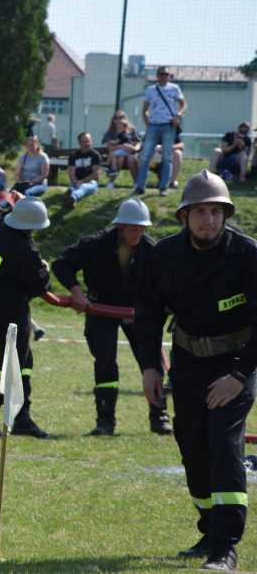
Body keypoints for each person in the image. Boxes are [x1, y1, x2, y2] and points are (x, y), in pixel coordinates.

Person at [134, 170, 257, 571]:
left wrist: (238, 375)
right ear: (185, 216)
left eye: (216, 212)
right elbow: (148, 313)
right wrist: (150, 367)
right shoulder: (163, 255)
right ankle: (208, 529)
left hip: (234, 363)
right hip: (186, 363)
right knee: (192, 447)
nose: (209, 220)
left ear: (226, 215)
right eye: (200, 211)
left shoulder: (248, 254)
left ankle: (226, 546)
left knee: (223, 443)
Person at [52, 197, 171, 436]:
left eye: (141, 229)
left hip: (137, 312)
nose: (137, 234)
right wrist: (76, 292)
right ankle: (105, 420)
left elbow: (166, 282)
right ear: (120, 227)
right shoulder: (93, 244)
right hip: (100, 309)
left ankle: (159, 417)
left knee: (151, 360)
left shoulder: (152, 250)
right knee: (105, 361)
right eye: (133, 229)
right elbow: (62, 265)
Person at [0, 195, 52, 438]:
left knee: (23, 362)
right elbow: (40, 286)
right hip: (11, 307)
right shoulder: (22, 248)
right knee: (9, 363)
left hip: (0, 302)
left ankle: (22, 417)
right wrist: (45, 268)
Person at [133, 66, 186, 196]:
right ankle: (140, 186)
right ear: (157, 76)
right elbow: (145, 109)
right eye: (161, 74)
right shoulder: (150, 90)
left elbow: (183, 104)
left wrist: (177, 115)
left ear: (169, 76)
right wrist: (147, 124)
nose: (163, 76)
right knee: (145, 156)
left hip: (168, 126)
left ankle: (164, 187)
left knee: (167, 157)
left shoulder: (174, 89)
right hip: (153, 126)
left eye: (166, 74)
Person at [101, 111, 141, 188]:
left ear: (125, 118)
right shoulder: (110, 131)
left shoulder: (132, 129)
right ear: (113, 119)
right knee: (120, 159)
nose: (118, 119)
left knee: (131, 158)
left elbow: (137, 143)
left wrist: (134, 148)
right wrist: (121, 146)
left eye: (121, 117)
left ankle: (136, 182)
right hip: (117, 155)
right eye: (116, 117)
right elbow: (109, 147)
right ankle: (111, 182)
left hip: (130, 153)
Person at [63, 132, 102, 210]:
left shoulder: (95, 155)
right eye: (84, 141)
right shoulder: (73, 155)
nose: (87, 143)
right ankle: (70, 200)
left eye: (88, 141)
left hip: (91, 183)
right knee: (73, 187)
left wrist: (82, 181)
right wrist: (75, 182)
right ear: (79, 143)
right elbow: (71, 173)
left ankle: (73, 197)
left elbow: (96, 174)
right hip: (76, 182)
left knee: (83, 187)